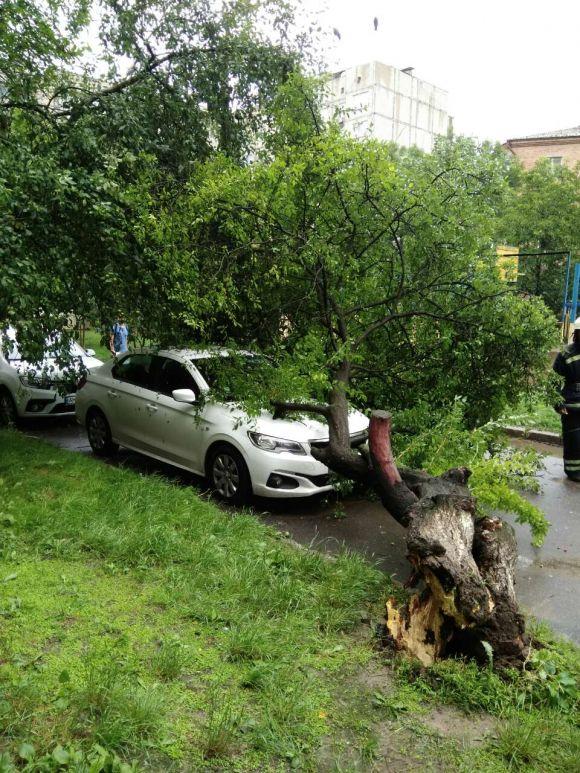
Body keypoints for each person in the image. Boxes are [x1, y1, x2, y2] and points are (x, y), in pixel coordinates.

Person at [553, 317, 580, 482]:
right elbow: (554, 381)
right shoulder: (566, 353)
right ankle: (573, 471)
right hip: (571, 407)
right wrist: (558, 403)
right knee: (573, 440)